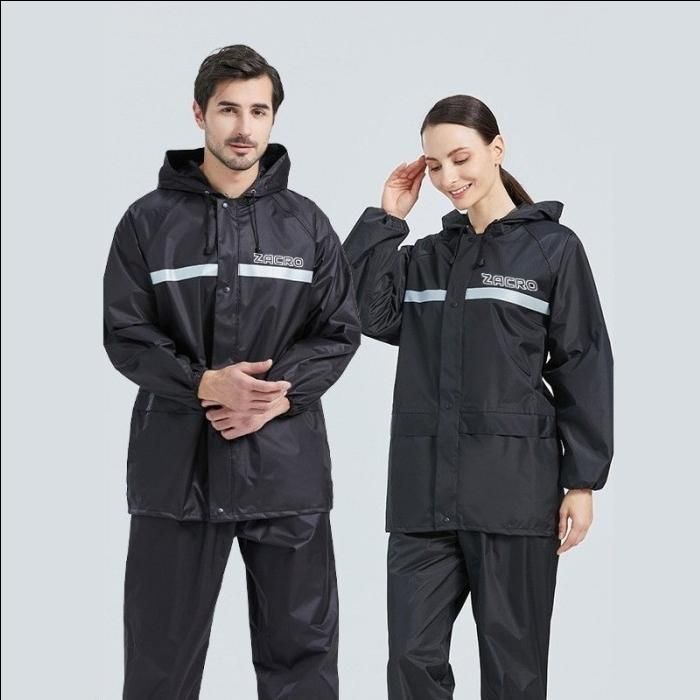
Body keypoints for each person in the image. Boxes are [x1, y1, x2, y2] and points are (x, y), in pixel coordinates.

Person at [103, 44, 361, 699]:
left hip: (286, 475)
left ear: (273, 118)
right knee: (159, 667)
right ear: (199, 114)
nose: (244, 127)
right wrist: (202, 383)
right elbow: (126, 333)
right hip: (177, 477)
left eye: (259, 111)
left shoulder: (307, 226)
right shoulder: (147, 223)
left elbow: (337, 330)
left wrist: (277, 395)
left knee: (302, 663)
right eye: (228, 110)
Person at [342, 94, 613, 699]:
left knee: (515, 670)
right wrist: (386, 219)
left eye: (460, 158)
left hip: (514, 495)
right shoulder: (426, 257)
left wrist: (582, 481)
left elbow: (584, 362)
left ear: (497, 149)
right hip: (422, 499)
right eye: (435, 165)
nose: (448, 178)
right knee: (410, 661)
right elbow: (356, 310)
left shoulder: (553, 250)